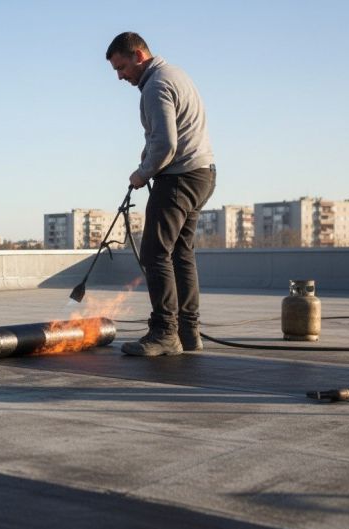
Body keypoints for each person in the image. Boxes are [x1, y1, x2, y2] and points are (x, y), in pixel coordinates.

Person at [106, 32, 216, 356]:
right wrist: (147, 155)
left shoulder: (155, 86)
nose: (120, 76)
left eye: (122, 67)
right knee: (181, 253)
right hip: (202, 174)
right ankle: (188, 331)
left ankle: (165, 332)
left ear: (139, 56)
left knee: (154, 253)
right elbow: (169, 134)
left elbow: (167, 145)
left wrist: (142, 174)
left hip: (179, 178)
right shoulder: (176, 75)